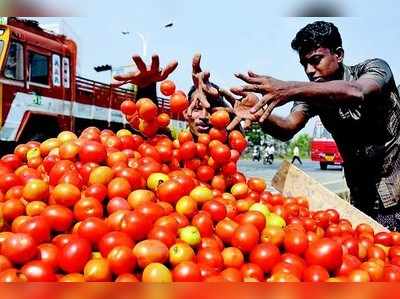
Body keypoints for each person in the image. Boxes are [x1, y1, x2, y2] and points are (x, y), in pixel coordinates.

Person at [227, 21, 400, 230]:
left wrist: (289, 88)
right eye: (304, 64)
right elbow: (288, 127)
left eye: (316, 60)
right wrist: (259, 111)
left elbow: (357, 92)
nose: (309, 70)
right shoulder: (312, 94)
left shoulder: (374, 69)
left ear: (339, 54)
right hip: (362, 201)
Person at [112, 53, 237, 139]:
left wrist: (239, 113)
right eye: (197, 108)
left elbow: (235, 133)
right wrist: (147, 87)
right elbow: (150, 124)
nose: (204, 116)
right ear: (185, 112)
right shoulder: (175, 142)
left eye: (212, 110)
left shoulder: (227, 145)